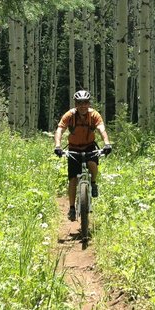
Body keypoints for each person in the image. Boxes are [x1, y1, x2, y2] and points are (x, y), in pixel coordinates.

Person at [54, 90, 112, 221]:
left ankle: (93, 183)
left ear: (89, 103)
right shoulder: (70, 115)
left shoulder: (94, 115)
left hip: (89, 146)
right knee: (73, 179)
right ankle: (72, 208)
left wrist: (107, 143)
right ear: (76, 104)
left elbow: (101, 129)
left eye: (85, 102)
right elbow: (60, 130)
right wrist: (57, 146)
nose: (83, 105)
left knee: (92, 164)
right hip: (74, 149)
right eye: (80, 103)